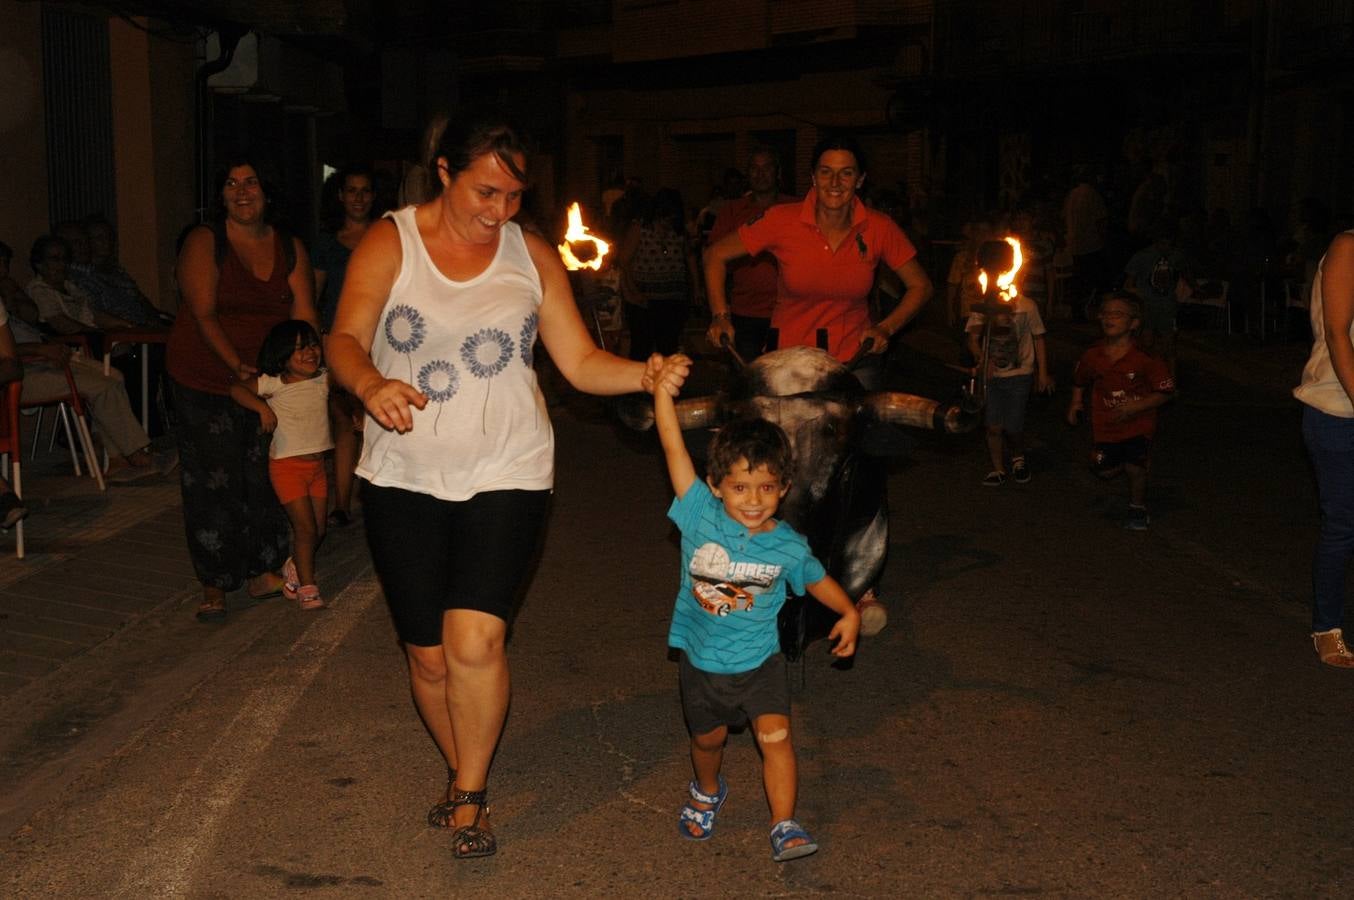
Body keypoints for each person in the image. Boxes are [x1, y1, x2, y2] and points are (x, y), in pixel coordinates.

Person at [326, 118, 684, 859]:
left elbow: (581, 363)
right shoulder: (393, 241)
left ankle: (470, 794)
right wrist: (368, 382)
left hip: (509, 468)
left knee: (476, 638)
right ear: (445, 170)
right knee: (427, 654)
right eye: (486, 190)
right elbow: (343, 338)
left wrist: (645, 374)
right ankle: (461, 765)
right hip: (404, 472)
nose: (500, 210)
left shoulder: (531, 253)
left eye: (515, 195)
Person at [652, 355, 859, 863]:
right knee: (708, 741)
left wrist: (849, 612)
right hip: (703, 665)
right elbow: (673, 448)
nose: (753, 500)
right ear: (716, 484)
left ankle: (783, 823)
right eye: (740, 487)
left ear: (784, 488)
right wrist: (661, 394)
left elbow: (817, 580)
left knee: (777, 738)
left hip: (761, 663)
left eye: (767, 487)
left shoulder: (786, 546)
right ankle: (707, 789)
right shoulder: (698, 513)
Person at [167, 155, 318, 623]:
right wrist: (238, 367)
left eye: (251, 181)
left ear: (266, 191)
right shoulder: (205, 241)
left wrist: (313, 372)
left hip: (270, 382)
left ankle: (261, 570)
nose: (242, 190)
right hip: (204, 376)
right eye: (231, 183)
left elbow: (306, 314)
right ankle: (214, 583)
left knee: (263, 473)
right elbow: (203, 313)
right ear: (221, 195)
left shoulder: (290, 247)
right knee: (213, 481)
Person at [704, 133, 932, 389]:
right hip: (788, 362)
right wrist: (720, 316)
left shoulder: (879, 227)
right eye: (825, 172)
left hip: (854, 359)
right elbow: (715, 255)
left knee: (862, 428)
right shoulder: (780, 219)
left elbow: (920, 286)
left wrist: (886, 328)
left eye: (846, 173)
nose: (835, 182)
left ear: (860, 179)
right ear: (813, 177)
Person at [230, 320, 332, 611]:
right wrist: (262, 407)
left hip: (317, 468)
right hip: (288, 468)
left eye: (312, 345)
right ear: (282, 354)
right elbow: (237, 389)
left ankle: (294, 566)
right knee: (305, 530)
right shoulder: (274, 383)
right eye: (299, 348)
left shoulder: (323, 379)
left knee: (319, 530)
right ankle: (308, 589)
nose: (310, 353)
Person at [1295, 230, 1354, 667]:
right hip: (1338, 410)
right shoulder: (1348, 247)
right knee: (1344, 523)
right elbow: (1336, 334)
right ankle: (1327, 626)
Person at [1066, 293, 1174, 531]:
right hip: (1106, 424)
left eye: (1118, 314)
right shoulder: (1093, 355)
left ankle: (1137, 507)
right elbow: (1079, 380)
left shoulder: (1146, 357)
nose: (1109, 318)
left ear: (1134, 323)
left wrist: (1137, 406)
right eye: (1106, 313)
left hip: (1139, 423)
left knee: (1135, 467)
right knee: (1102, 469)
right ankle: (1131, 462)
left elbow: (1166, 391)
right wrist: (1076, 403)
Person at [313, 165, 380, 528]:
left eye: (365, 190)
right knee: (343, 419)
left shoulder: (385, 237)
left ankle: (374, 497)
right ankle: (341, 504)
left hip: (380, 340)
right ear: (340, 196)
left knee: (373, 421)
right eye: (351, 190)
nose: (358, 198)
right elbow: (315, 294)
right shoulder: (327, 244)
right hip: (340, 340)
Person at [705, 146, 795, 362]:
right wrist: (719, 312)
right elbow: (713, 256)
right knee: (747, 379)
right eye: (754, 169)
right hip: (745, 312)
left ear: (777, 172)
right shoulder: (732, 210)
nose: (761, 174)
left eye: (766, 168)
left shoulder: (794, 207)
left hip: (787, 312)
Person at [966, 268, 1053, 486]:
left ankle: (1017, 457)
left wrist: (1042, 372)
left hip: (1020, 375)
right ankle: (998, 469)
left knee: (1013, 426)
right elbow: (973, 339)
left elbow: (1039, 338)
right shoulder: (985, 306)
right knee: (993, 426)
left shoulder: (1028, 305)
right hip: (993, 377)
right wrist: (982, 360)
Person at [616, 187, 699, 360]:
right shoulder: (640, 227)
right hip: (644, 301)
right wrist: (633, 292)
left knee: (668, 347)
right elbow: (623, 261)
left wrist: (696, 289)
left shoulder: (678, 231)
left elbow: (690, 258)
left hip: (673, 299)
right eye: (664, 216)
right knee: (641, 348)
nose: (667, 221)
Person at [25, 235, 135, 337]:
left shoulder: (71, 287)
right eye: (55, 259)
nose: (62, 264)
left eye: (64, 258)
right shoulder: (38, 290)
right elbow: (60, 323)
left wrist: (125, 325)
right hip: (71, 347)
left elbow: (92, 315)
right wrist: (99, 334)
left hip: (90, 340)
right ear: (39, 264)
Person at [1123, 221, 1192, 377]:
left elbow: (1185, 274)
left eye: (1170, 244)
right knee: (1147, 343)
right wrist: (1136, 297)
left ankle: (1171, 380)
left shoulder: (1176, 256)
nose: (1166, 248)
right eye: (1163, 243)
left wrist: (1193, 289)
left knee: (1169, 344)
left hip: (1167, 307)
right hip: (1147, 306)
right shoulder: (1142, 256)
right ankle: (1147, 377)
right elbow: (1128, 283)